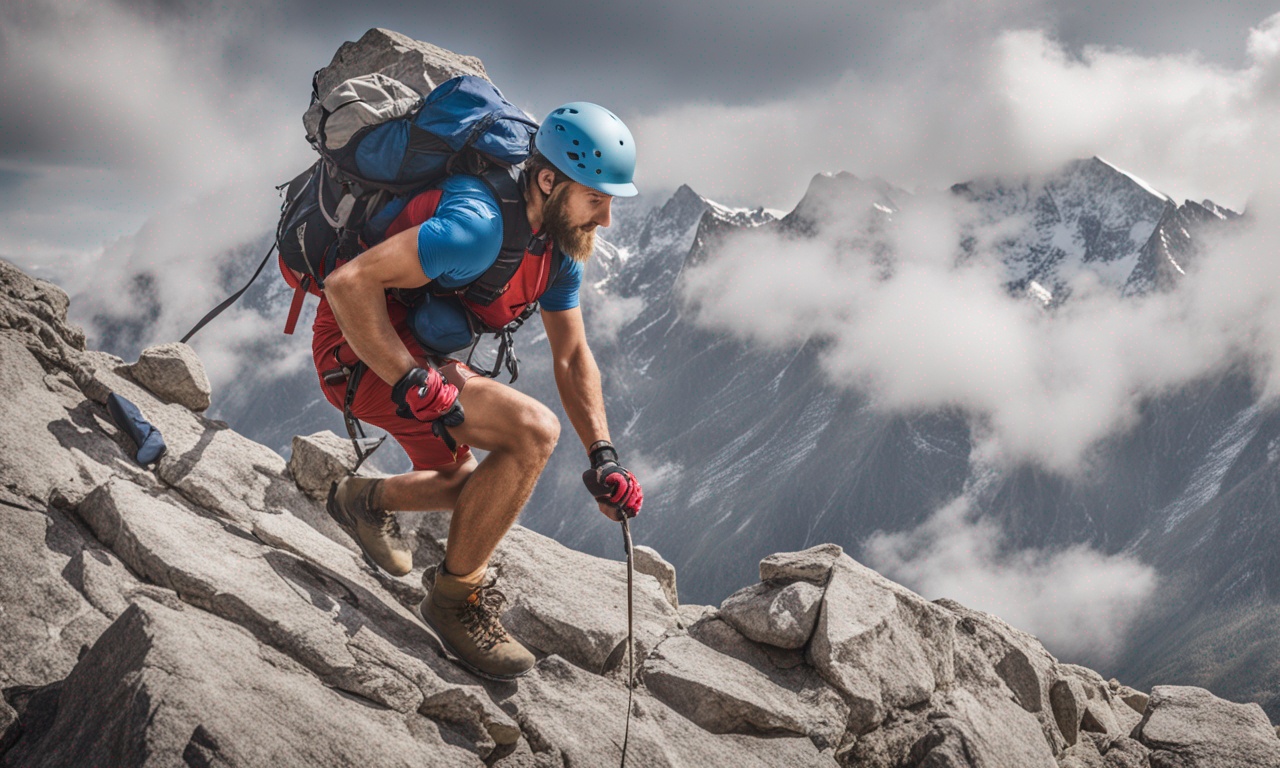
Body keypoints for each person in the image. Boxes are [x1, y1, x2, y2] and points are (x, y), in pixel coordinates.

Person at [313, 102, 645, 681]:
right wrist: (407, 376)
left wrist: (604, 456)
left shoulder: (557, 250)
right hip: (359, 350)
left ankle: (361, 500)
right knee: (533, 432)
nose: (607, 218)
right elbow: (348, 284)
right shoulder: (477, 227)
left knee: (472, 488)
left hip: (419, 354)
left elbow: (570, 356)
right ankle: (453, 602)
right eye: (597, 197)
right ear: (548, 180)